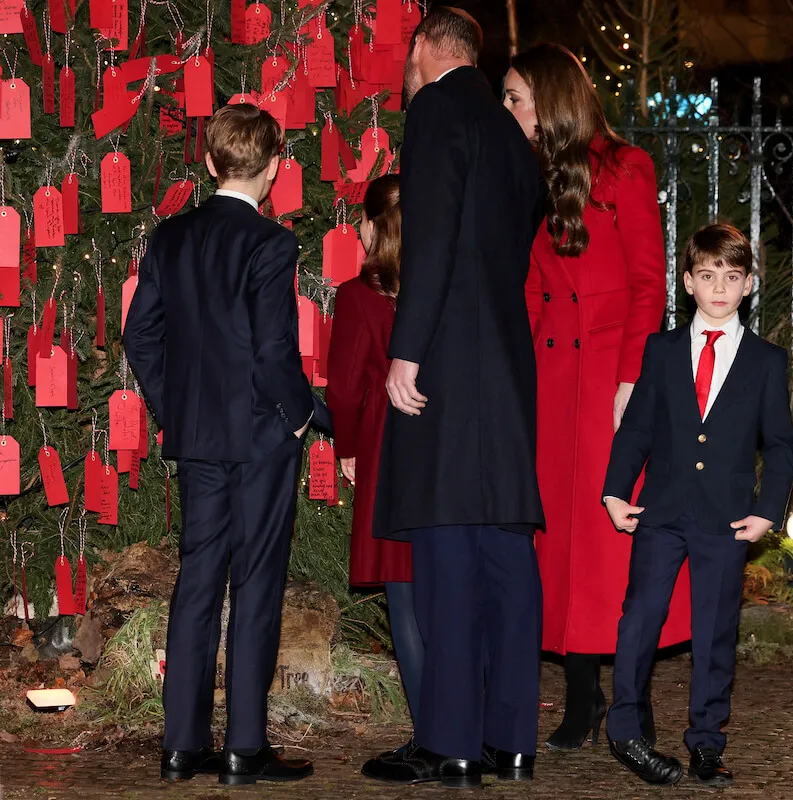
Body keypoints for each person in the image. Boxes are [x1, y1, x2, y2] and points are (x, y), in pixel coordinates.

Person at [362, 7, 545, 790]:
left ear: (428, 51)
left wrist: (407, 352)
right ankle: (511, 740)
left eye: (407, 59)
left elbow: (430, 236)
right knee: (505, 552)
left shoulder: (436, 107)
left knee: (444, 552)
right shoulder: (512, 132)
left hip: (447, 363)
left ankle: (450, 742)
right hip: (505, 366)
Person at [124, 103, 331, 786]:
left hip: (199, 436)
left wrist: (172, 405)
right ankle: (244, 745)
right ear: (273, 169)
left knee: (197, 582)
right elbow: (274, 352)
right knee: (257, 584)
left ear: (209, 162)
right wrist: (302, 416)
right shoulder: (271, 244)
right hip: (262, 436)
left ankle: (181, 744)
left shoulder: (172, 236)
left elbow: (139, 336)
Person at [503, 42, 689, 750]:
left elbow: (650, 282)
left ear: (551, 98)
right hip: (552, 382)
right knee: (563, 543)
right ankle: (581, 696)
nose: (510, 109)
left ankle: (629, 700)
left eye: (518, 96)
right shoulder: (527, 173)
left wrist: (634, 383)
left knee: (613, 543)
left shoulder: (626, 167)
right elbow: (524, 285)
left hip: (612, 376)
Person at [600, 224, 793, 788]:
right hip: (660, 510)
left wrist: (768, 510)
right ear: (688, 283)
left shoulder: (766, 360)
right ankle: (627, 729)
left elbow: (780, 443)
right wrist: (615, 491)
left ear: (748, 285)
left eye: (731, 278)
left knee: (715, 632)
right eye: (707, 276)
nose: (719, 288)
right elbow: (636, 428)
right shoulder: (660, 350)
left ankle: (706, 742)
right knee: (639, 620)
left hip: (727, 518)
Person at [324, 175, 424, 730]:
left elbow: (342, 387)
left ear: (372, 227)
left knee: (402, 590)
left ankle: (426, 726)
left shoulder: (359, 295)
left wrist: (348, 448)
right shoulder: (442, 286)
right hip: (440, 441)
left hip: (386, 442)